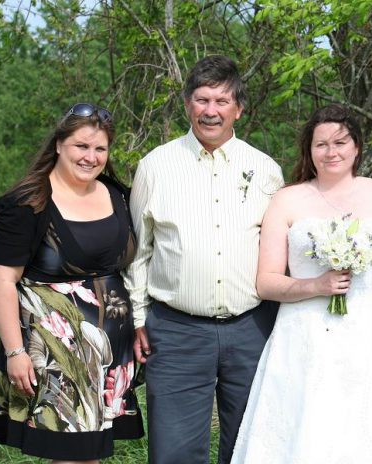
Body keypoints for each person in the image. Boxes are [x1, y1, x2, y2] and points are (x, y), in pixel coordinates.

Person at [230, 104, 372, 463]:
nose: (331, 152)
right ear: (309, 150)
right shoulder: (287, 199)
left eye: (340, 142)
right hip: (303, 336)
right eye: (321, 144)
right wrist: (315, 286)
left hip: (369, 332)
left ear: (357, 147)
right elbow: (266, 282)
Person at [124, 55, 283, 464]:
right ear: (187, 104)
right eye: (202, 99)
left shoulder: (265, 170)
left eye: (222, 101)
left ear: (239, 110)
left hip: (252, 328)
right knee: (174, 451)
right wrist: (139, 319)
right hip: (175, 332)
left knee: (252, 447)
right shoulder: (155, 166)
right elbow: (139, 252)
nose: (211, 111)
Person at [0, 103, 144, 463]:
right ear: (59, 144)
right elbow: (0, 280)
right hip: (57, 357)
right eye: (81, 146)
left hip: (107, 353)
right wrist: (15, 353)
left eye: (100, 149)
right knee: (71, 456)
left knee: (90, 454)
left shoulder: (117, 194)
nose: (91, 157)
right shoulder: (26, 204)